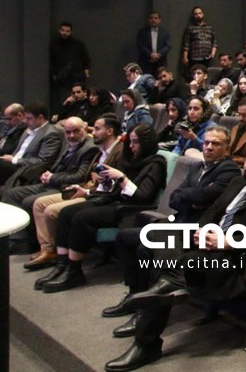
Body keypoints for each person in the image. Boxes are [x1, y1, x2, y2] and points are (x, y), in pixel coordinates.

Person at [105, 135, 246, 372]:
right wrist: (202, 230)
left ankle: (146, 343)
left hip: (233, 259)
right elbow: (213, 211)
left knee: (165, 263)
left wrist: (227, 242)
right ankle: (168, 285)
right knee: (156, 235)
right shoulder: (238, 182)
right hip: (208, 242)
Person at [35, 123, 166, 293]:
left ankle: (74, 271)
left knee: (82, 218)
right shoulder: (130, 159)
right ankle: (62, 265)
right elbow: (114, 190)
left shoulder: (156, 163)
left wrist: (121, 178)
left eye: (136, 142)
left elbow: (142, 196)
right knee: (67, 212)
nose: (131, 146)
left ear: (146, 143)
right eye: (130, 142)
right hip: (113, 200)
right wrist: (107, 182)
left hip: (129, 209)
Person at [26, 115, 123, 269]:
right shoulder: (100, 150)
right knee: (39, 204)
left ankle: (60, 257)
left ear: (110, 131)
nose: (92, 132)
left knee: (51, 210)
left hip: (97, 196)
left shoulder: (119, 151)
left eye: (97, 129)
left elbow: (111, 186)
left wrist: (86, 191)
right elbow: (88, 177)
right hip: (85, 188)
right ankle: (48, 250)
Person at [3, 116, 97, 258]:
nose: (71, 135)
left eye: (76, 131)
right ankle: (18, 240)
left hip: (66, 187)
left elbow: (80, 176)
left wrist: (52, 177)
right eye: (68, 132)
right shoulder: (67, 142)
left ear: (84, 129)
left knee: (30, 201)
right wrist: (47, 174)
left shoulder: (89, 148)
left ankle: (41, 247)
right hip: (52, 181)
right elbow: (56, 165)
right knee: (12, 193)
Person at [49, 22, 91, 113]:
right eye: (63, 30)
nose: (65, 33)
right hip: (62, 78)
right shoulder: (54, 44)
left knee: (80, 98)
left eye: (67, 31)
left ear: (71, 32)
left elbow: (85, 57)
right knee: (64, 100)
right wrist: (54, 74)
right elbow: (52, 60)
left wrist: (86, 70)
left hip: (77, 75)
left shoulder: (78, 43)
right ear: (59, 30)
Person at [180, 6, 217, 74]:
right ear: (194, 15)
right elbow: (186, 44)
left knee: (207, 74)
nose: (198, 15)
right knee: (195, 74)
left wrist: (212, 54)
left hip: (207, 57)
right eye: (196, 14)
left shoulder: (209, 28)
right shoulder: (190, 28)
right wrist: (185, 57)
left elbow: (214, 42)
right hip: (195, 57)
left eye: (200, 13)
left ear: (203, 14)